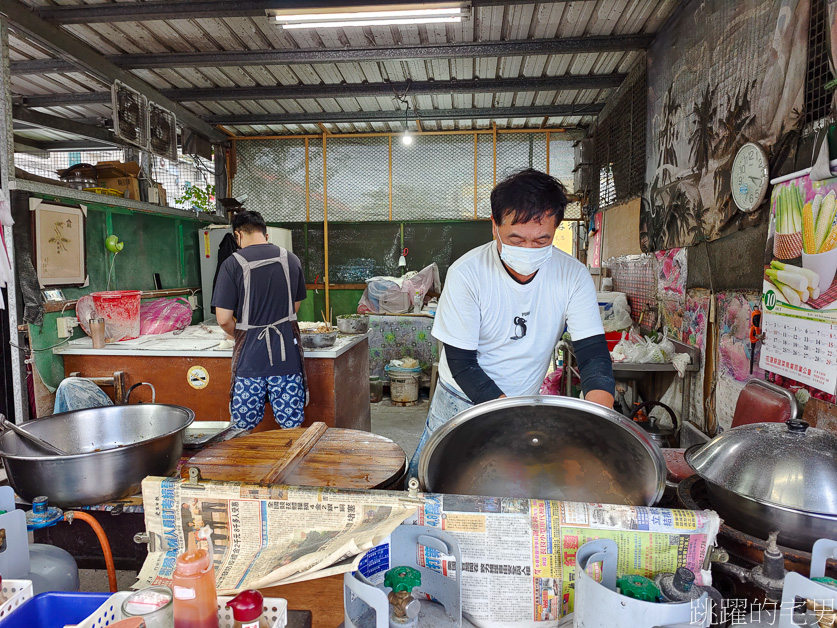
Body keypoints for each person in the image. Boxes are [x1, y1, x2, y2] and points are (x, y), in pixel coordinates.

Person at [408, 168, 615, 477]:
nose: (528, 250)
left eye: (541, 240)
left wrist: (599, 422)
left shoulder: (572, 275)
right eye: (515, 239)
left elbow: (593, 355)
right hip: (462, 397)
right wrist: (514, 418)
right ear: (495, 226)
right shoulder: (468, 274)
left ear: (556, 229)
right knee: (436, 480)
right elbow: (463, 364)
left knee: (506, 483)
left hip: (521, 399)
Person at [212, 210, 308, 431]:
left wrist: (245, 333)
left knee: (242, 429)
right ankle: (292, 465)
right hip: (287, 361)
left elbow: (223, 318)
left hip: (250, 362)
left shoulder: (231, 264)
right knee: (292, 428)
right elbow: (294, 307)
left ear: (238, 235)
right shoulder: (290, 259)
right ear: (265, 234)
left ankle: (247, 466)